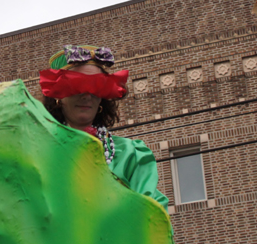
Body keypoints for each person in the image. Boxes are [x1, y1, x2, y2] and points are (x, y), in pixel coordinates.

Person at [40, 45, 169, 210]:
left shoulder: (131, 155)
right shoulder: (37, 154)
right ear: (58, 95)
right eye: (77, 85)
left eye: (96, 86)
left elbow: (152, 215)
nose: (87, 96)